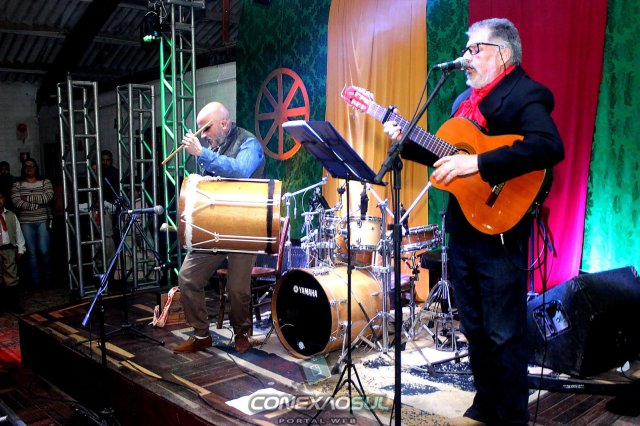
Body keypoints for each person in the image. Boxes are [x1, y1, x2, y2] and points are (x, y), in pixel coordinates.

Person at [383, 18, 564, 426]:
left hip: (502, 231)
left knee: (503, 332)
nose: (465, 57)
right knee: (475, 327)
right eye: (466, 50)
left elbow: (549, 146)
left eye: (474, 50)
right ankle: (485, 402)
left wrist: (479, 162)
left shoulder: (525, 93)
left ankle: (511, 415)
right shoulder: (462, 102)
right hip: (464, 227)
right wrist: (405, 142)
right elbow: (446, 157)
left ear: (503, 54)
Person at [173, 102, 265, 354]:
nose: (203, 135)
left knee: (237, 289)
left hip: (244, 227)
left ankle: (241, 333)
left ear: (224, 124)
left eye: (206, 128)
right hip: (213, 226)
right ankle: (201, 334)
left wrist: (201, 153)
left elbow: (240, 171)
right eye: (201, 130)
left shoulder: (249, 143)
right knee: (188, 278)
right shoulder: (213, 147)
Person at [10, 159, 54, 287]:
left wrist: (27, 198)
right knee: (31, 253)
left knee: (44, 250)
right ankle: (36, 282)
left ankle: (47, 278)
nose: (29, 168)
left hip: (43, 220)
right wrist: (36, 205)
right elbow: (16, 202)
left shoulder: (45, 182)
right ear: (23, 168)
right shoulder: (17, 184)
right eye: (26, 166)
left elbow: (48, 197)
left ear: (36, 167)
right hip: (26, 222)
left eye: (32, 166)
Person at [0, 192, 26, 314]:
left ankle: (14, 304)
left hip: (9, 249)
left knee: (11, 277)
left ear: (4, 199)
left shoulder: (11, 215)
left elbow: (18, 232)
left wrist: (21, 249)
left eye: (0, 198)